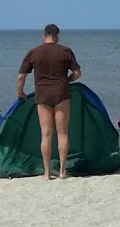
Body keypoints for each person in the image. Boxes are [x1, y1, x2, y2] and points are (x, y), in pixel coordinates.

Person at [18, 24, 81, 180]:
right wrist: (66, 80)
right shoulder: (65, 51)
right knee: (63, 132)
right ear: (57, 36)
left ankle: (46, 173)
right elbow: (78, 73)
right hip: (61, 93)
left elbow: (21, 76)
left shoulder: (34, 52)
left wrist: (20, 92)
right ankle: (62, 171)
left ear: (43, 35)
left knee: (46, 134)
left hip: (43, 95)